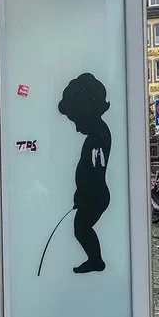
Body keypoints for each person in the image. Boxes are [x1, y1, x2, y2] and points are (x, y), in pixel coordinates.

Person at [58, 73, 111, 274]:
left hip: (95, 194)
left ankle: (96, 261)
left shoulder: (99, 134)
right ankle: (95, 260)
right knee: (81, 228)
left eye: (77, 120)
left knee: (81, 228)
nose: (76, 126)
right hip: (91, 193)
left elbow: (97, 167)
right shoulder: (96, 133)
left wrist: (84, 193)